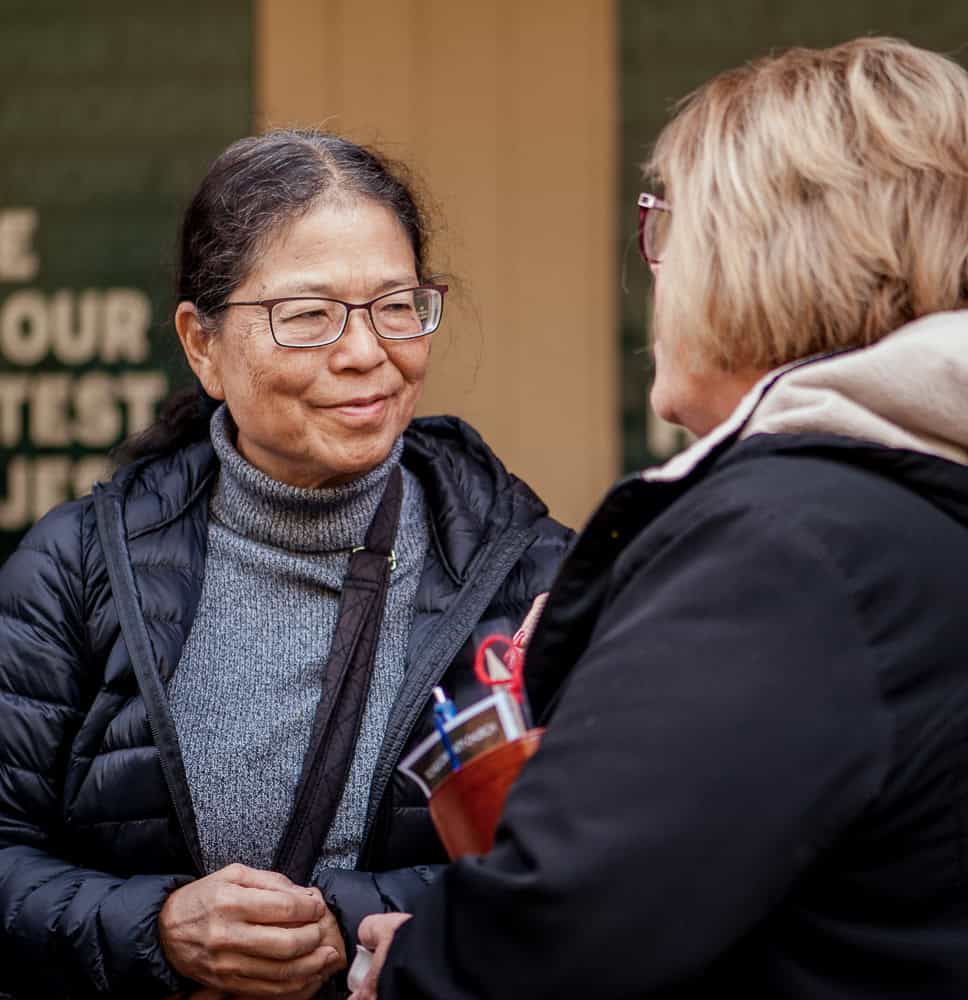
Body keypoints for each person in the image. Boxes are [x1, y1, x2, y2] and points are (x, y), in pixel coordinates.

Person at [352, 37, 968, 999]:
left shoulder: (786, 551)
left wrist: (415, 968)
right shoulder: (903, 506)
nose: (659, 275)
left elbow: (563, 943)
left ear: (756, 257)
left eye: (670, 230)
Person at [0, 129, 573, 999]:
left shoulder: (531, 575)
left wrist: (345, 920)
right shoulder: (78, 568)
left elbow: (597, 865)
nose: (365, 351)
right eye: (308, 315)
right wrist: (162, 930)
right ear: (202, 344)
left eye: (397, 305)